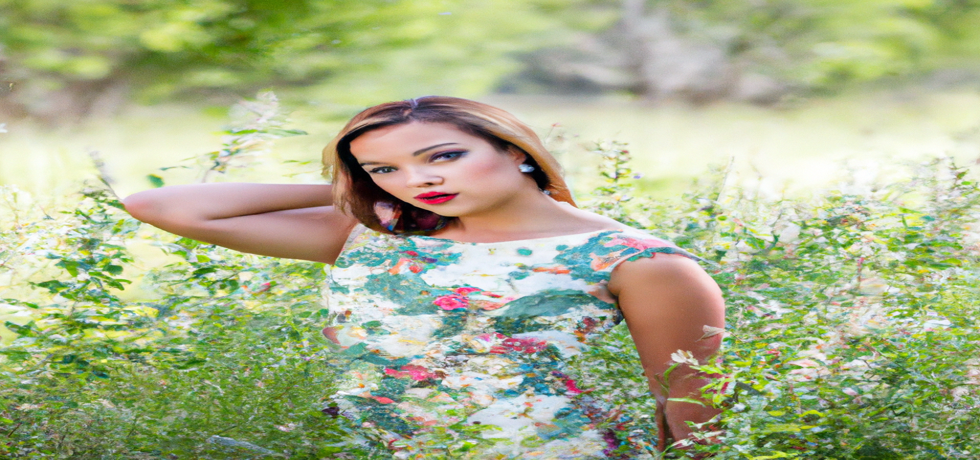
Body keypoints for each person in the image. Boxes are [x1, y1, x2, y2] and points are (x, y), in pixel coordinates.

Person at [123, 96, 725, 458]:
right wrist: (356, 190)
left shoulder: (637, 260)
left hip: (539, 447)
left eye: (443, 156)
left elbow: (688, 403)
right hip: (361, 446)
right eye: (385, 168)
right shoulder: (376, 234)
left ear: (517, 150)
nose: (418, 181)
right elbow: (163, 206)